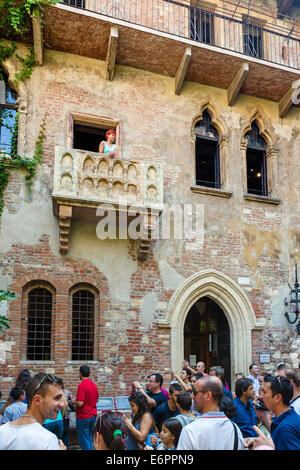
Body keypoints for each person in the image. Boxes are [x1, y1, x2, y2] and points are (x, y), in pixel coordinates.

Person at [0, 372, 66, 450]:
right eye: (57, 398)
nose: (62, 404)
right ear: (37, 400)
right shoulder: (47, 439)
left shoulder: (2, 431)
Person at [177, 376, 244, 450]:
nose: (191, 396)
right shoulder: (235, 429)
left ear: (208, 395)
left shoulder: (190, 431)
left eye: (195, 392)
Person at [260, 375, 300, 450]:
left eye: (264, 392)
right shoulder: (290, 418)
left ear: (277, 398)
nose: (261, 396)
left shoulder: (285, 430)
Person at [72, 365, 99, 451]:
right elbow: (97, 399)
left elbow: (80, 403)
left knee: (84, 440)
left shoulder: (82, 385)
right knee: (89, 438)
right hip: (93, 416)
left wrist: (73, 401)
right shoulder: (94, 385)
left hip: (83, 417)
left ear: (80, 373)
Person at [62, 381, 74, 448]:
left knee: (59, 435)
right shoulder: (67, 392)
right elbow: (73, 402)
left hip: (57, 417)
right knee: (66, 435)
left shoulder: (55, 393)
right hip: (66, 416)